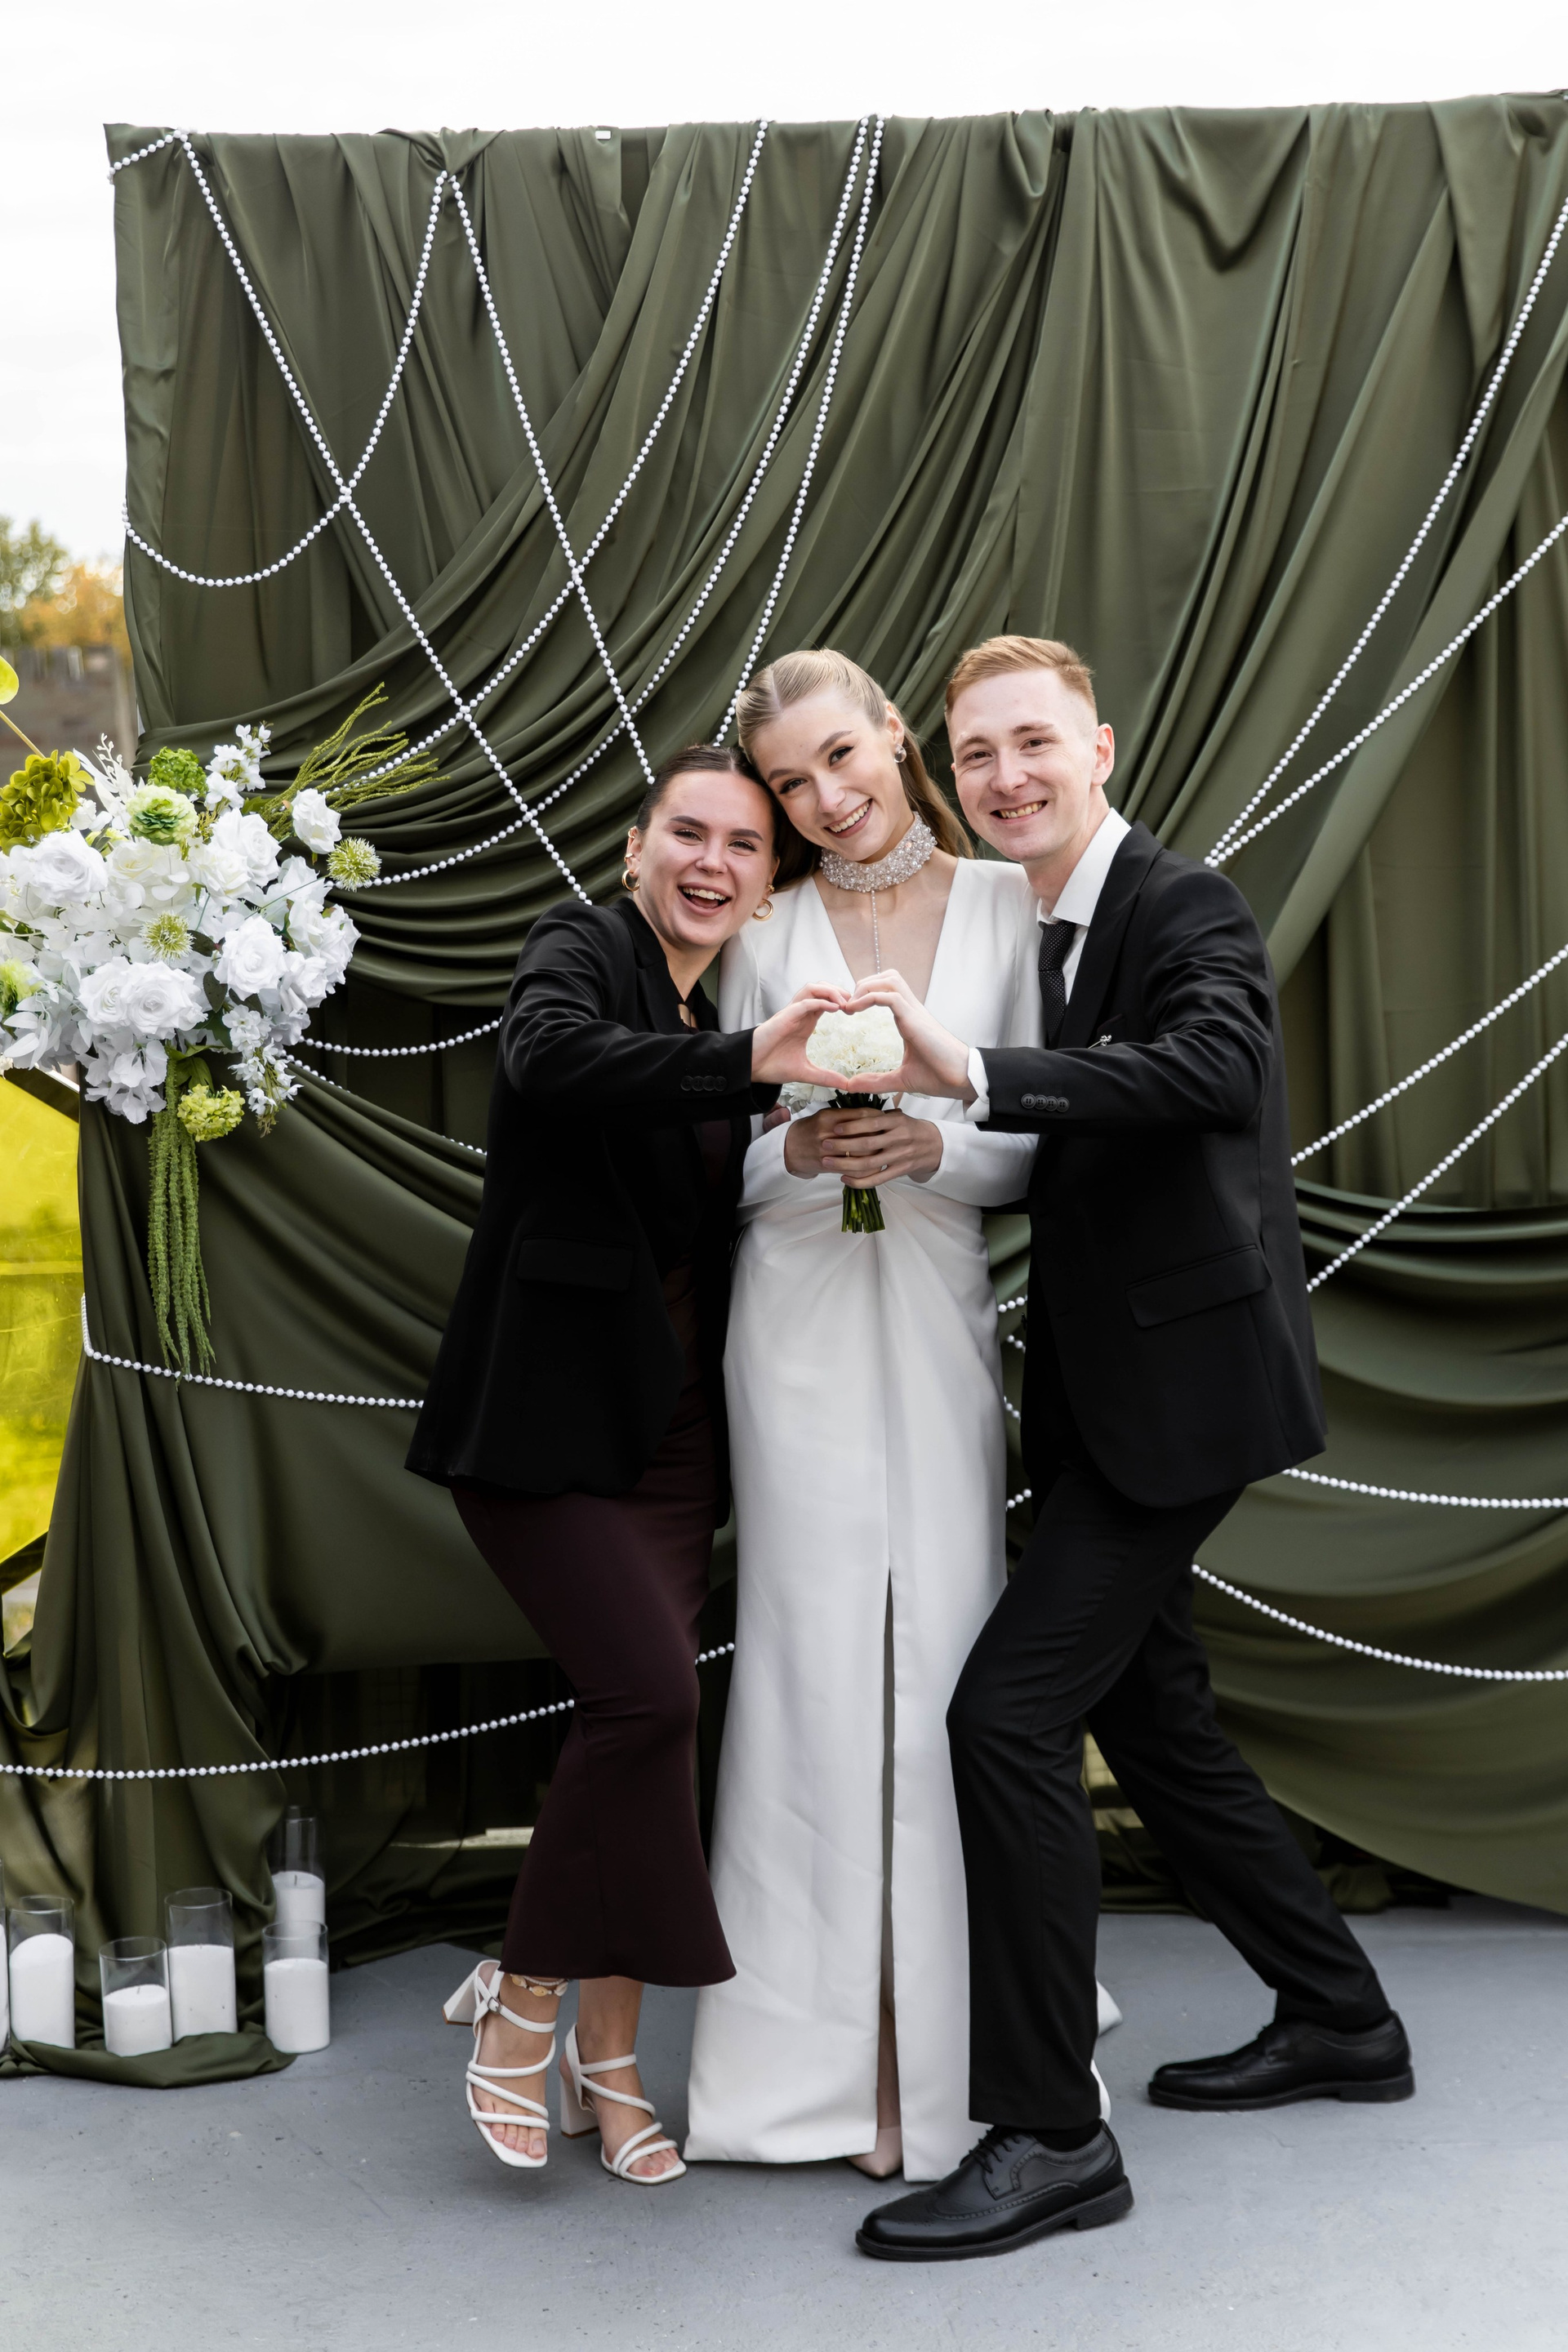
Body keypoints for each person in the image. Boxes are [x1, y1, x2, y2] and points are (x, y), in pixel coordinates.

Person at [847, 635, 1414, 2261]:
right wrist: (931, 1138)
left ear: (1097, 748)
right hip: (1108, 1404)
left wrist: (969, 1070)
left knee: (1005, 1716)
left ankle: (1052, 2136)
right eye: (977, 754)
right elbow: (1075, 1140)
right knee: (1156, 1724)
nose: (1006, 775)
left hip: (1189, 1400)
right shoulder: (1028, 927)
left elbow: (1213, 1071)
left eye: (1034, 742)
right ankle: (1341, 2016)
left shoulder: (1184, 904)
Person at [684, 649, 1116, 2186]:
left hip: (935, 1305)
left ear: (893, 739)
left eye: (841, 759)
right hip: (792, 1316)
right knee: (803, 1664)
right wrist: (793, 1160)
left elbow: (1041, 1134)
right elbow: (717, 1148)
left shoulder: (1007, 906)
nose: (822, 798)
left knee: (946, 1657)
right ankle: (809, 2066)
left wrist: (936, 1154)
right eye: (789, 783)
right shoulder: (763, 926)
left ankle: (952, 2062)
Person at [406, 743, 842, 2185]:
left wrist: (805, 1135)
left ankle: (612, 2060)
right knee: (646, 1698)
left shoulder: (721, 1013)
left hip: (673, 1439)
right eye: (689, 834)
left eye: (744, 846)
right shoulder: (580, 949)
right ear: (637, 846)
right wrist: (749, 1065)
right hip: (540, 1421)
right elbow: (551, 1062)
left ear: (767, 884)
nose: (714, 863)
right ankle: (523, 1993)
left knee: (648, 1730)